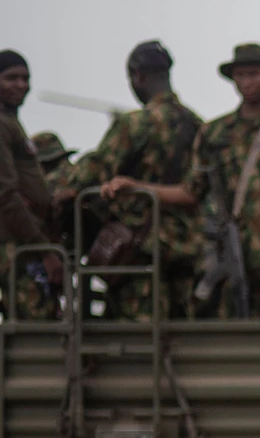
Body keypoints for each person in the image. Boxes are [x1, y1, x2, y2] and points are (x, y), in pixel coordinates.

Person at [104, 43, 260, 320]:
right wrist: (136, 187)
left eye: (254, 73)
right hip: (236, 258)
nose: (247, 82)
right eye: (241, 75)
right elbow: (190, 192)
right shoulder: (215, 133)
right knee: (237, 346)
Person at [59, 41, 202, 320]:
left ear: (138, 76)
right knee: (180, 330)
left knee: (139, 336)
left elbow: (94, 172)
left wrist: (59, 188)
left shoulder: (135, 124)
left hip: (141, 247)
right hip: (186, 247)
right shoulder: (198, 125)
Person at [0, 49, 62, 320]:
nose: (21, 85)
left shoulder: (12, 123)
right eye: (11, 78)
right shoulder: (2, 124)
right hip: (18, 243)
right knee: (36, 324)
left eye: (25, 78)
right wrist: (43, 250)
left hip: (26, 240)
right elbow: (4, 193)